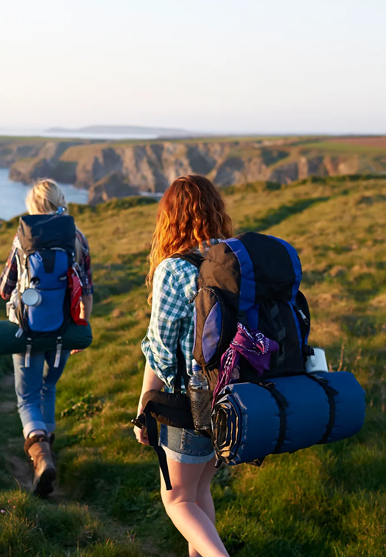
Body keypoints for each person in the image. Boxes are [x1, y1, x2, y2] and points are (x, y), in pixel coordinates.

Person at [135, 174, 233, 557]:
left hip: (191, 401)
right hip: (235, 395)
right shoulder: (233, 257)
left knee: (176, 500)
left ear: (170, 217)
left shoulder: (174, 269)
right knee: (198, 492)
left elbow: (160, 350)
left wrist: (146, 404)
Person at [0, 179, 93, 496]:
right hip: (63, 331)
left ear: (32, 207)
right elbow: (87, 292)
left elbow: (4, 288)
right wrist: (81, 326)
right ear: (60, 201)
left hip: (26, 331)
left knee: (26, 397)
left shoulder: (23, 238)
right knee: (48, 386)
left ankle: (40, 455)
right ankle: (47, 449)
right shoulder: (77, 237)